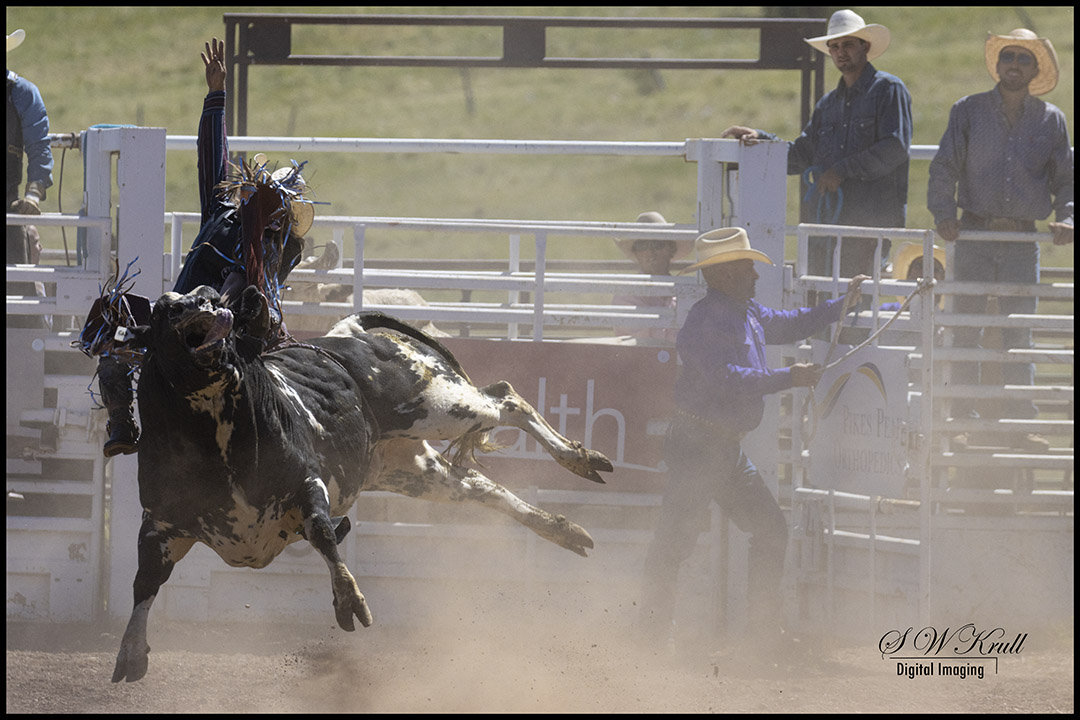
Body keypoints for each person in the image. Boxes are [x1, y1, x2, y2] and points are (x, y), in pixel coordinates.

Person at [638, 226, 866, 653]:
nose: (756, 275)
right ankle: (650, 638)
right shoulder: (706, 320)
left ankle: (758, 633)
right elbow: (725, 379)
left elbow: (791, 324)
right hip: (701, 446)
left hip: (717, 447)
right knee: (676, 542)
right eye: (747, 268)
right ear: (724, 274)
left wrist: (841, 305)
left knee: (764, 530)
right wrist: (787, 378)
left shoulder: (743, 311)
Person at [91, 38, 316, 457]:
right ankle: (121, 419)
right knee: (112, 317)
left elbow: (260, 294)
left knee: (233, 297)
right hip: (179, 314)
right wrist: (216, 96)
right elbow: (212, 158)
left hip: (235, 333)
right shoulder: (224, 212)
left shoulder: (279, 249)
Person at [927, 28, 1073, 453]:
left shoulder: (1051, 120)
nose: (1013, 64)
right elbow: (943, 167)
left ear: (1034, 69)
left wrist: (1067, 218)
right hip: (972, 231)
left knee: (1018, 331)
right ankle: (962, 420)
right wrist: (943, 215)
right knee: (965, 329)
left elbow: (1066, 181)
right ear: (997, 64)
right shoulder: (968, 111)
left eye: (1023, 58)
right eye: (1007, 55)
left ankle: (1017, 422)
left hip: (1021, 239)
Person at [720, 9, 912, 291]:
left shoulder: (888, 90)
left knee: (855, 298)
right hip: (826, 225)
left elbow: (894, 147)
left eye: (847, 44)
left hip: (869, 221)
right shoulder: (828, 104)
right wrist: (761, 140)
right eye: (834, 47)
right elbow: (802, 154)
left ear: (865, 47)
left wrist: (841, 171)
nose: (840, 52)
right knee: (819, 295)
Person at [7, 28, 54, 328]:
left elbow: (39, 146)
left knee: (17, 290)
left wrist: (33, 193)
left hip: (9, 206)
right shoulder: (22, 93)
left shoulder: (21, 92)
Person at [610, 211, 693, 345]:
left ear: (671, 249)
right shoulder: (627, 293)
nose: (650, 252)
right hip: (641, 362)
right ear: (637, 254)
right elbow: (648, 340)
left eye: (658, 244)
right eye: (643, 246)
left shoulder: (683, 291)